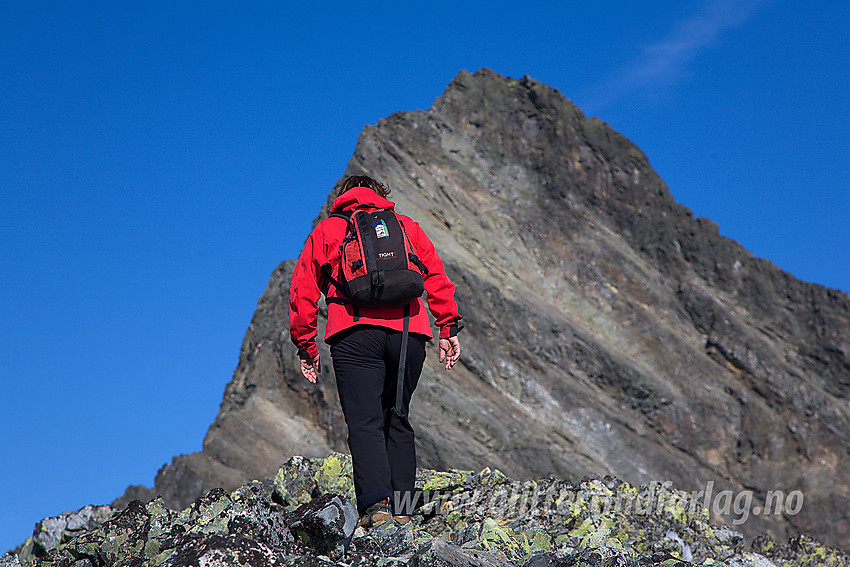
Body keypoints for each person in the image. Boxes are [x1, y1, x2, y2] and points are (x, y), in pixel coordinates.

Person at [289, 174, 462, 528]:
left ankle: (377, 507)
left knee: (365, 421)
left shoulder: (330, 230)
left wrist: (307, 346)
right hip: (408, 333)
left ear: (343, 197)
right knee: (397, 418)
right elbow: (436, 276)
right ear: (380, 195)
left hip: (354, 334)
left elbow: (303, 291)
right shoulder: (406, 226)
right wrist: (448, 325)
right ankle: (404, 510)